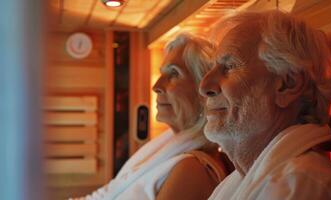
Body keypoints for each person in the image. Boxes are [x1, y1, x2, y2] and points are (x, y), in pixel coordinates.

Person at [199, 10, 331, 199]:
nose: (204, 86)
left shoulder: (300, 188)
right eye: (212, 68)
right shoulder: (241, 181)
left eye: (230, 66)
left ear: (287, 85)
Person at [72, 33, 231, 200]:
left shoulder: (192, 171)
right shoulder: (164, 146)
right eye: (162, 73)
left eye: (174, 74)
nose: (156, 86)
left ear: (204, 91)